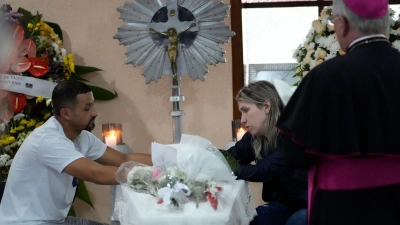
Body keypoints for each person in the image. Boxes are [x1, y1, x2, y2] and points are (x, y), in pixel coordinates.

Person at [276, 0, 400, 224]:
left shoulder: (325, 77)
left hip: (343, 206)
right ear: (386, 25)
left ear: (341, 24)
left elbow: (295, 153)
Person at [0, 80, 152, 224]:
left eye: (93, 106)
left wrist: (165, 161)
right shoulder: (48, 140)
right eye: (87, 108)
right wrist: (149, 177)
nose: (95, 112)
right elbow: (96, 173)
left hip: (55, 221)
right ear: (66, 113)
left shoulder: (82, 136)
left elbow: (123, 158)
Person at [226, 80, 307, 225]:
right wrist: (207, 155)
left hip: (309, 203)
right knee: (259, 219)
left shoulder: (292, 135)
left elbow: (264, 170)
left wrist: (226, 168)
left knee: (296, 222)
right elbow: (232, 156)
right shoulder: (254, 137)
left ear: (266, 106)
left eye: (246, 110)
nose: (243, 120)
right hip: (284, 203)